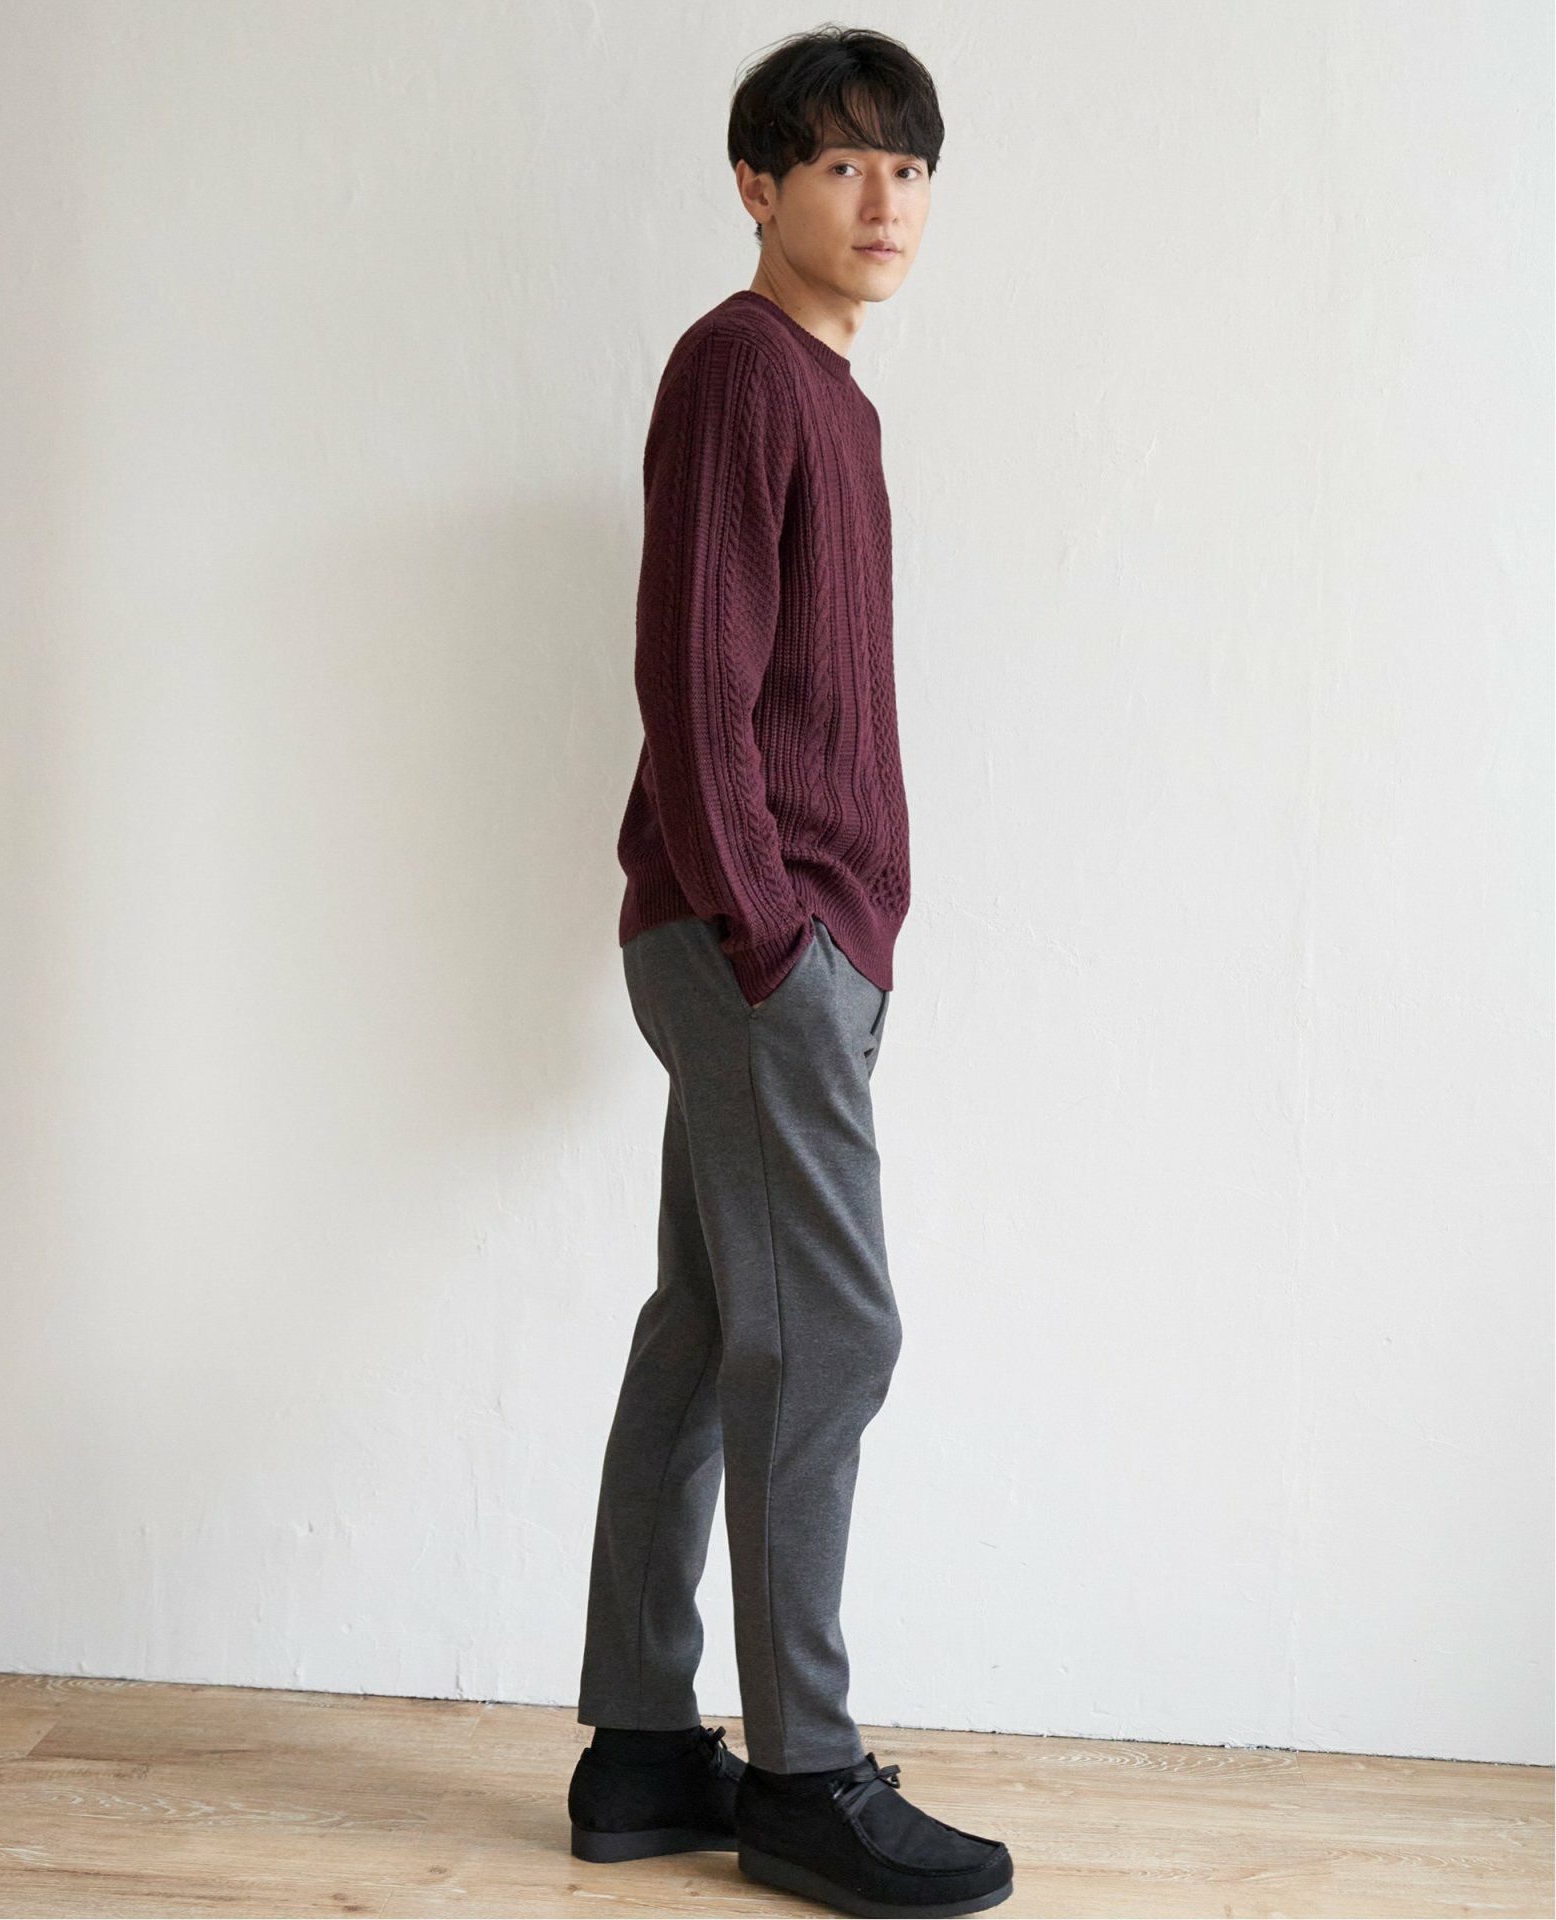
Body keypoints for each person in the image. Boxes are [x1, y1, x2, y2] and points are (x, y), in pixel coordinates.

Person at [569, 26, 1013, 1917]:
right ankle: (805, 1775)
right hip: (757, 935)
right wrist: (777, 935)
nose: (884, 198)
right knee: (831, 1337)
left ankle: (640, 1751)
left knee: (709, 1330)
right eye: (841, 164)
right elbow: (695, 674)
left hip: (776, 937)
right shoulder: (742, 366)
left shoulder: (831, 396)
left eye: (908, 167)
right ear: (757, 186)